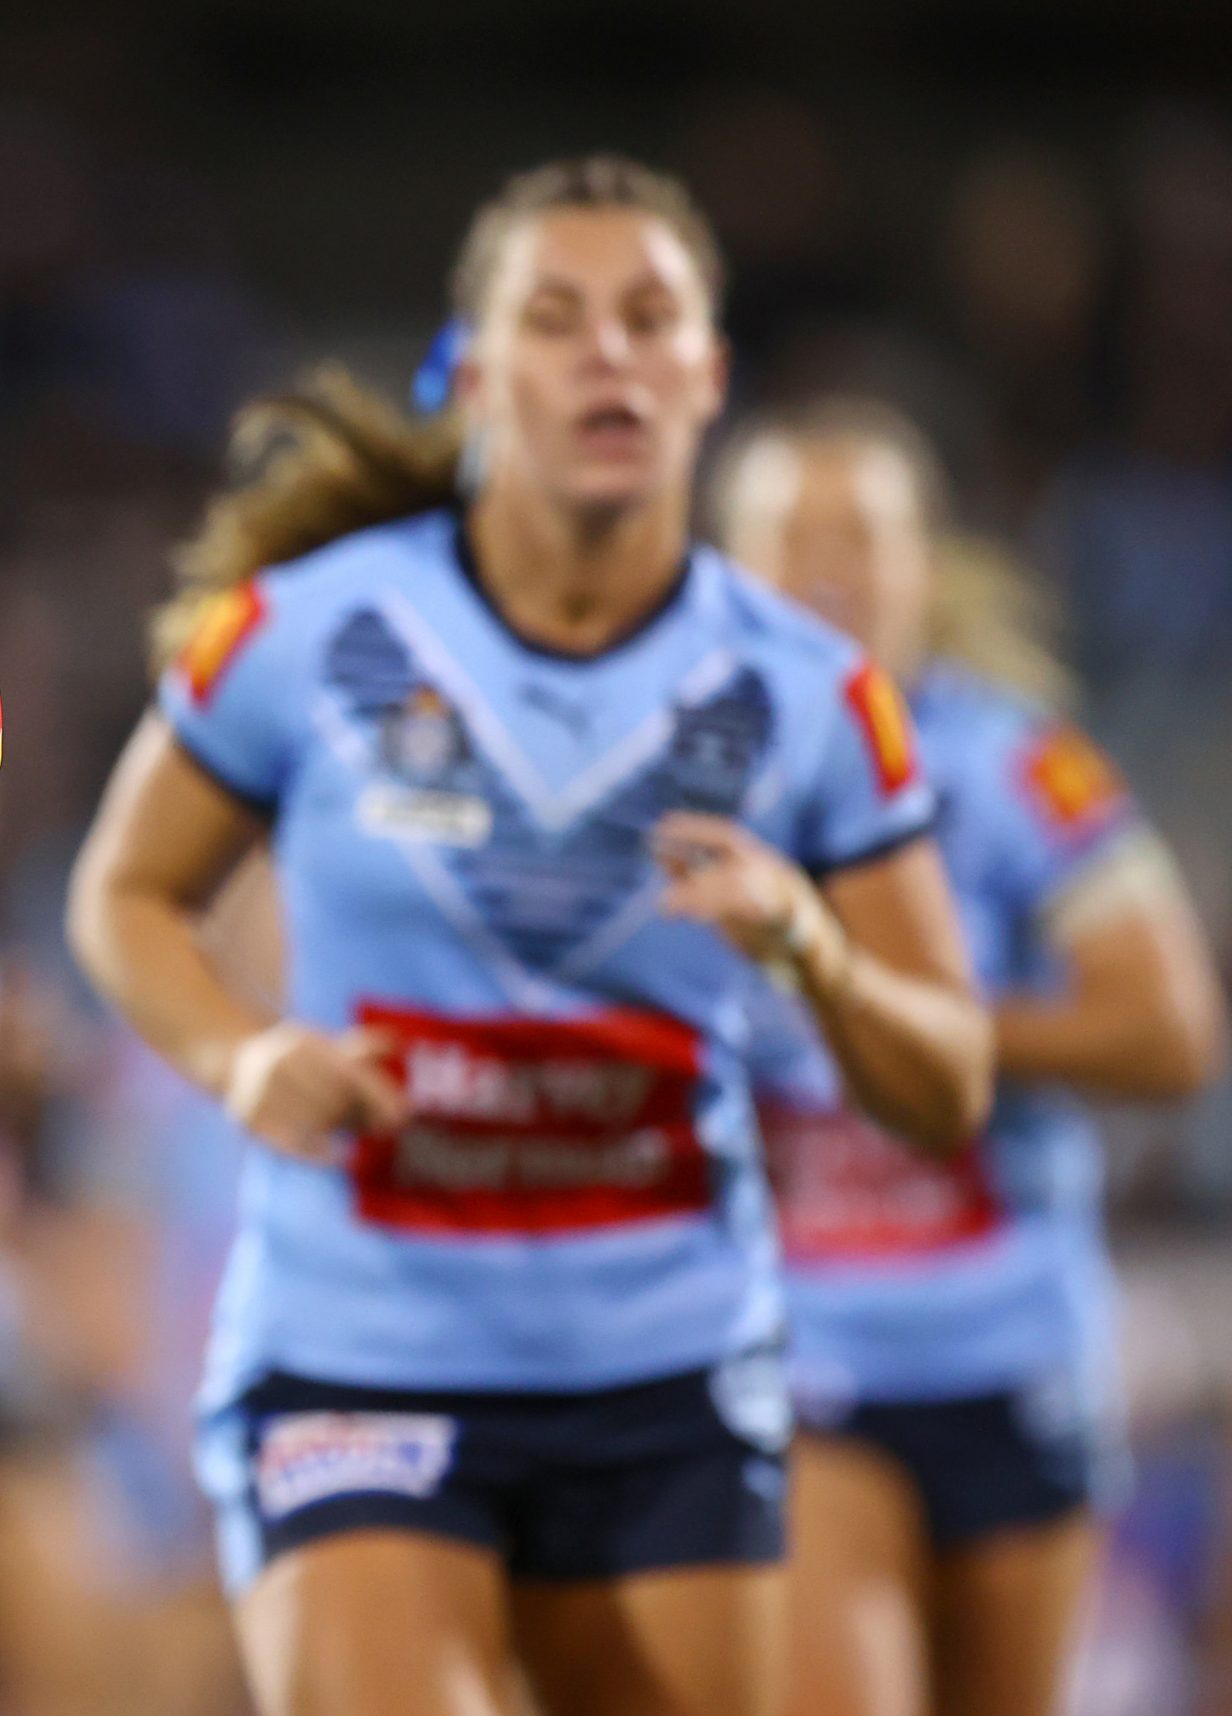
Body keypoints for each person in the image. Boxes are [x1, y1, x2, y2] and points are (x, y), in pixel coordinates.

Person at [67, 156, 994, 1716]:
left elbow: (949, 1082)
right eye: (559, 320)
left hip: (667, 1380)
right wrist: (238, 1057)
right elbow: (123, 894)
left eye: (650, 319)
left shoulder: (815, 694)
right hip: (360, 1355)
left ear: (709, 376)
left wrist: (814, 956)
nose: (611, 353)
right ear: (482, 375)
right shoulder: (308, 631)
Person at [716, 398, 1226, 1716]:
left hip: (1015, 1348)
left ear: (924, 570)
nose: (828, 568)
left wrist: (913, 1025)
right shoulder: (678, 782)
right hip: (800, 1351)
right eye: (793, 536)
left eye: (863, 536)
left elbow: (1173, 1034)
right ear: (726, 569)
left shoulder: (1012, 768)